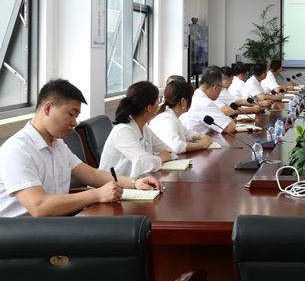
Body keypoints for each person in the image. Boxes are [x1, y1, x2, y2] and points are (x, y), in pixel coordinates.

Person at [0, 79, 162, 217]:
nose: (74, 123)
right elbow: (39, 207)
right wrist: (96, 194)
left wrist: (135, 182)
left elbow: (92, 175)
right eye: (71, 114)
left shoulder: (57, 144)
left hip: (55, 224)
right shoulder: (17, 151)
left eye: (76, 117)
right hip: (21, 235)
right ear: (48, 108)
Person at [99, 81, 174, 177]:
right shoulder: (123, 131)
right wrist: (161, 157)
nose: (159, 105)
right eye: (157, 101)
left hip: (133, 182)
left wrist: (158, 158)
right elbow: (144, 163)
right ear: (149, 108)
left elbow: (168, 151)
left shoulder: (144, 127)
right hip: (113, 185)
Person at [149, 80, 213, 154]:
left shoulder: (171, 116)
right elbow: (176, 146)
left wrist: (201, 136)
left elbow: (187, 132)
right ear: (183, 101)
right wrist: (200, 145)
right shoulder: (167, 119)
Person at [182, 66, 237, 135]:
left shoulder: (196, 95)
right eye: (222, 87)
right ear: (215, 88)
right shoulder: (206, 103)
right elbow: (230, 128)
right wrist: (230, 119)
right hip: (199, 140)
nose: (221, 90)